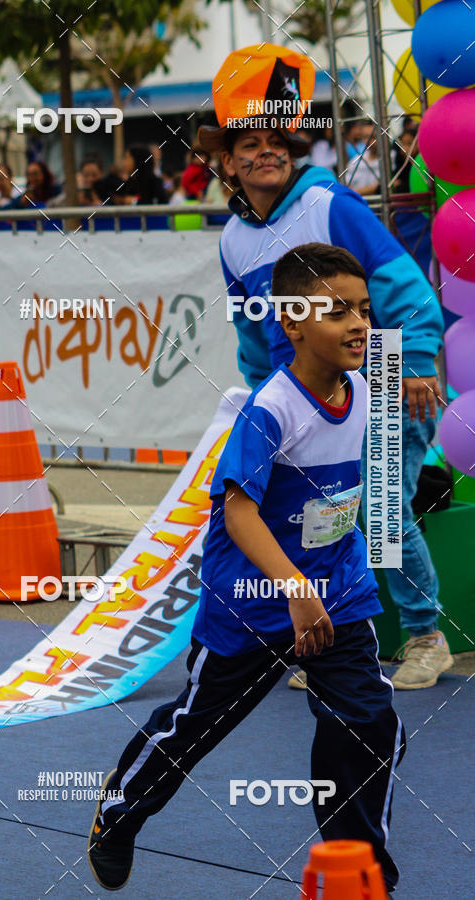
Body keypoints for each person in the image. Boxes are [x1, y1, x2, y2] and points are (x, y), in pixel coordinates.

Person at [87, 242, 406, 897]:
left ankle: (355, 862)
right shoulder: (273, 409)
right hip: (254, 600)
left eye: (365, 311)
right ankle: (118, 813)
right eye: (336, 310)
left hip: (337, 592)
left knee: (369, 722)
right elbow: (238, 513)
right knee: (196, 725)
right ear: (291, 324)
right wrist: (292, 590)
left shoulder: (366, 391)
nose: (358, 325)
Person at [197, 43, 449, 691]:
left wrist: (417, 361)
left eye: (276, 139)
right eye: (247, 144)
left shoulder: (332, 204)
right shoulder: (232, 240)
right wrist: (263, 407)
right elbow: (255, 334)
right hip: (305, 401)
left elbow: (403, 286)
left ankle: (427, 636)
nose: (265, 152)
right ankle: (330, 646)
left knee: (385, 506)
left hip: (388, 373)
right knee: (321, 518)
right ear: (225, 162)